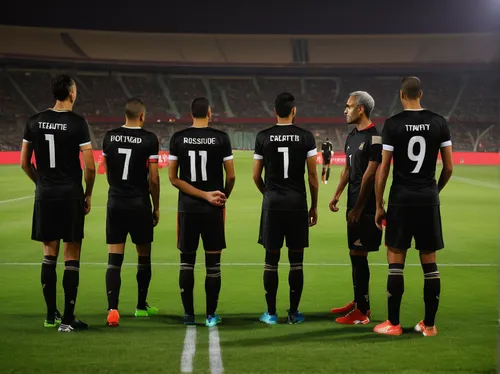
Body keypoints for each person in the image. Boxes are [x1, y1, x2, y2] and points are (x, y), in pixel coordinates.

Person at [373, 76, 453, 336]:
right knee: (429, 262)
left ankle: (393, 324)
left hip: (401, 199)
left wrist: (379, 204)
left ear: (401, 94)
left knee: (396, 260)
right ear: (421, 93)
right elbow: (449, 167)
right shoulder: (439, 122)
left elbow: (384, 168)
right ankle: (429, 326)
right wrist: (433, 191)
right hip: (427, 198)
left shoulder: (393, 124)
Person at [20, 74, 95, 332]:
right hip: (71, 194)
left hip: (46, 194)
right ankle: (67, 320)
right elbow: (90, 167)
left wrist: (40, 183)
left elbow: (23, 162)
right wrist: (88, 194)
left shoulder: (34, 120)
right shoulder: (77, 123)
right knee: (71, 256)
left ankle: (51, 315)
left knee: (48, 255)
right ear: (72, 93)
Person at [168, 97, 235, 327]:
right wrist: (219, 196)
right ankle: (210, 315)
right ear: (209, 112)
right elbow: (232, 176)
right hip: (212, 210)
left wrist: (199, 195)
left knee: (186, 262)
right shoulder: (221, 138)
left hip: (187, 209)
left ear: (190, 113)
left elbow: (173, 178)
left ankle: (188, 315)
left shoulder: (178, 138)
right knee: (213, 264)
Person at [253, 92, 319, 325]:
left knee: (271, 259)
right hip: (297, 204)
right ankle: (293, 312)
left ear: (275, 111)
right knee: (296, 260)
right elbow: (312, 176)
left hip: (273, 204)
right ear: (294, 111)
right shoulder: (306, 137)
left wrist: (269, 195)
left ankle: (270, 313)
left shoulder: (263, 137)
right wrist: (314, 206)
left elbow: (255, 176)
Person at [102, 98, 161, 327]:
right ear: (142, 116)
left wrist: (115, 188)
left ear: (124, 114)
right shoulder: (149, 139)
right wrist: (156, 206)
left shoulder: (109, 137)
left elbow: (107, 171)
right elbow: (154, 179)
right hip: (139, 203)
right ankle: (140, 306)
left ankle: (112, 309)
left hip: (116, 202)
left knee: (114, 259)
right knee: (143, 257)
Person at [329, 91, 382, 324]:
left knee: (360, 255)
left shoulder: (375, 138)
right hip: (352, 204)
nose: (345, 110)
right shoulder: (352, 136)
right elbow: (348, 170)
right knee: (354, 254)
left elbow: (371, 176)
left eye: (349, 106)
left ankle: (363, 311)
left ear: (361, 109)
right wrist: (337, 194)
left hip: (366, 207)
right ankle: (358, 300)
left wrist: (359, 208)